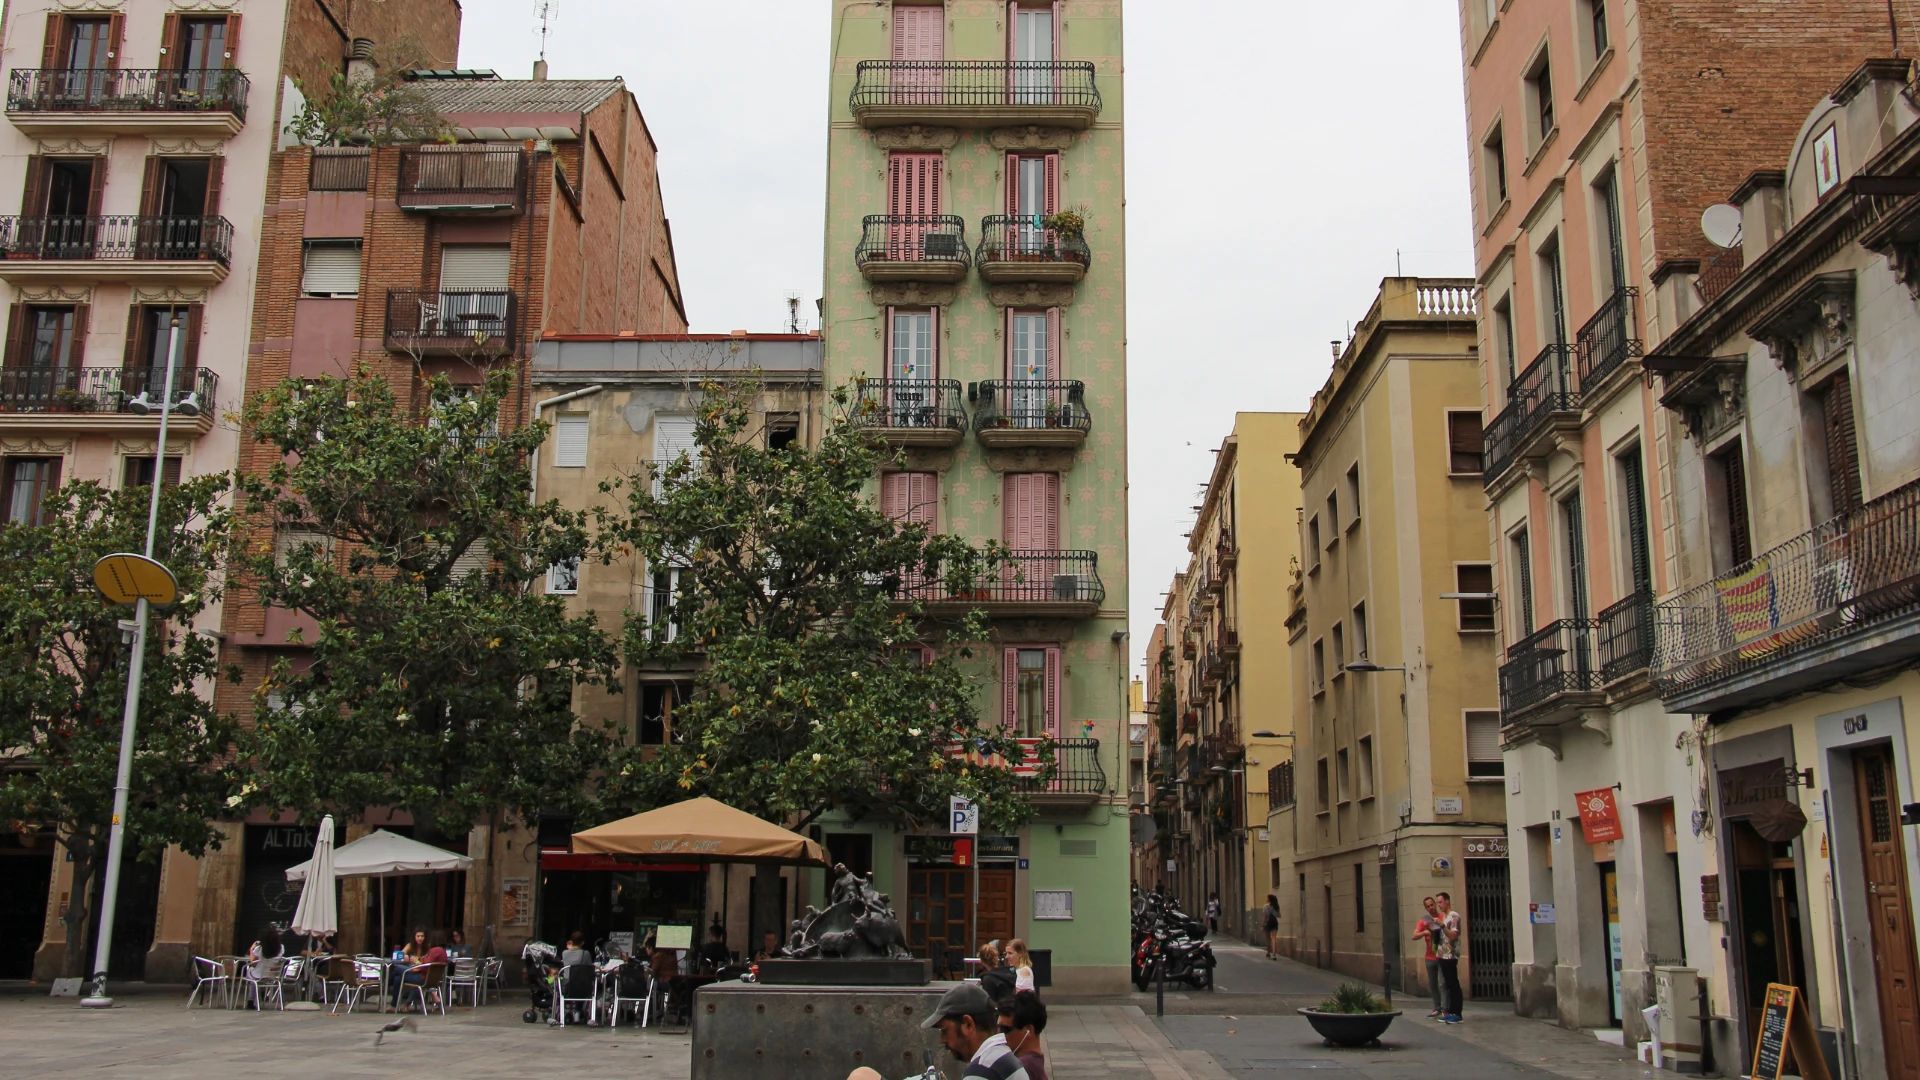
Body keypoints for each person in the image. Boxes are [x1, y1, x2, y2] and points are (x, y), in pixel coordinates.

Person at [920, 982, 1030, 1079]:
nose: (942, 1040)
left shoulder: (982, 1069)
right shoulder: (1002, 1057)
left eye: (944, 1030)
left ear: (968, 1024)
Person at [997, 990, 1049, 1080]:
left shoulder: (1021, 1069)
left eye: (1005, 1029)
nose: (999, 1034)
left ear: (1029, 1030)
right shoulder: (1033, 1064)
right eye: (998, 1028)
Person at [1411, 896, 1443, 1018]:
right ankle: (1437, 1007)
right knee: (1433, 984)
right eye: (1428, 906)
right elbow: (1414, 935)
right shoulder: (1424, 921)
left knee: (1443, 983)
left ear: (1435, 904)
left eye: (1431, 905)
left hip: (1442, 956)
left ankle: (1446, 1007)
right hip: (1430, 957)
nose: (1430, 908)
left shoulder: (1442, 917)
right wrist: (1424, 932)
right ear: (1426, 908)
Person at [1434, 891, 1464, 1024]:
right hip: (1442, 954)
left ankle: (1457, 1012)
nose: (1439, 905)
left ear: (1447, 901)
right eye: (1437, 903)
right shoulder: (1445, 917)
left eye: (1440, 902)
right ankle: (1450, 1011)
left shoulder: (1454, 916)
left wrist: (1442, 925)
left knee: (1453, 983)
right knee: (1447, 984)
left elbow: (1453, 935)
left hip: (1450, 955)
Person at [978, 939, 1015, 1006]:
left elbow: (990, 1003)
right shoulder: (1010, 972)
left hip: (1000, 1010)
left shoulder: (988, 979)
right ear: (996, 958)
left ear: (982, 961)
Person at [1262, 895, 1281, 960]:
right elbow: (1279, 915)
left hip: (1268, 923)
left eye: (1267, 898)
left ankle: (1268, 952)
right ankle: (1274, 955)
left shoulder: (1265, 906)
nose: (1266, 899)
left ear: (1269, 899)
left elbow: (1265, 917)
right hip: (1274, 922)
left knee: (1268, 939)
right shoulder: (1276, 906)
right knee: (1274, 938)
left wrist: (1262, 925)